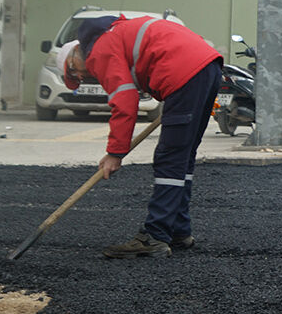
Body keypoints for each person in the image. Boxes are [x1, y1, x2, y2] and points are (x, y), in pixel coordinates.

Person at [54, 14, 222, 258]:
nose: (80, 77)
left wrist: (115, 153)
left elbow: (124, 101)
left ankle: (155, 236)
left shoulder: (99, 51)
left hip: (184, 72)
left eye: (73, 73)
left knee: (170, 157)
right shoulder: (117, 34)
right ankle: (177, 229)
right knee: (182, 157)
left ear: (74, 55)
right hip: (207, 66)